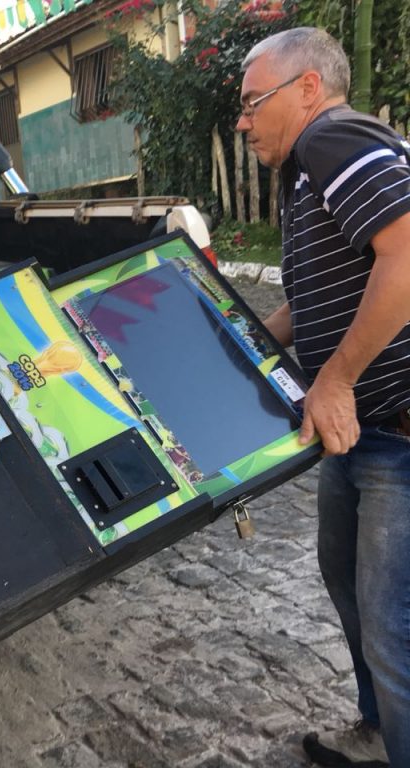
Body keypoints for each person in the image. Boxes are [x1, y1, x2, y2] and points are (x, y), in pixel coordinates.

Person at [237, 27, 410, 767]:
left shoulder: (331, 138)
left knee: (393, 628)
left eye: (254, 102)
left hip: (395, 434)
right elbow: (320, 292)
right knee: (349, 588)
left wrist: (334, 380)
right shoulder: (310, 168)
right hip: (358, 433)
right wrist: (243, 334)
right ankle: (380, 735)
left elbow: (408, 253)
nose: (243, 120)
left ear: (308, 87)